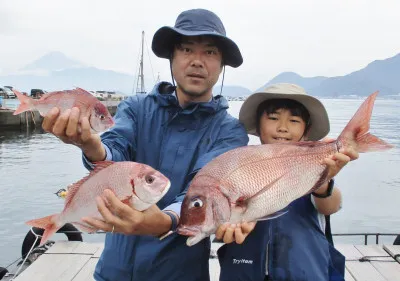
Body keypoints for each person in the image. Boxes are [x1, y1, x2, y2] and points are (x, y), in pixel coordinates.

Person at [41, 8, 249, 281]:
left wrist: (166, 221)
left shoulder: (230, 133)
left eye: (210, 52)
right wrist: (92, 147)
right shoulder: (136, 108)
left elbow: (205, 192)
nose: (197, 61)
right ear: (172, 58)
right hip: (113, 272)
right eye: (186, 49)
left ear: (222, 64)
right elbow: (114, 153)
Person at [216, 83, 359, 281]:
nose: (282, 127)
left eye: (293, 120)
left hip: (303, 272)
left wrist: (324, 181)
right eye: (273, 118)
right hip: (245, 271)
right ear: (258, 126)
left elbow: (330, 207)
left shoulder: (315, 165)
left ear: (306, 130)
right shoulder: (240, 166)